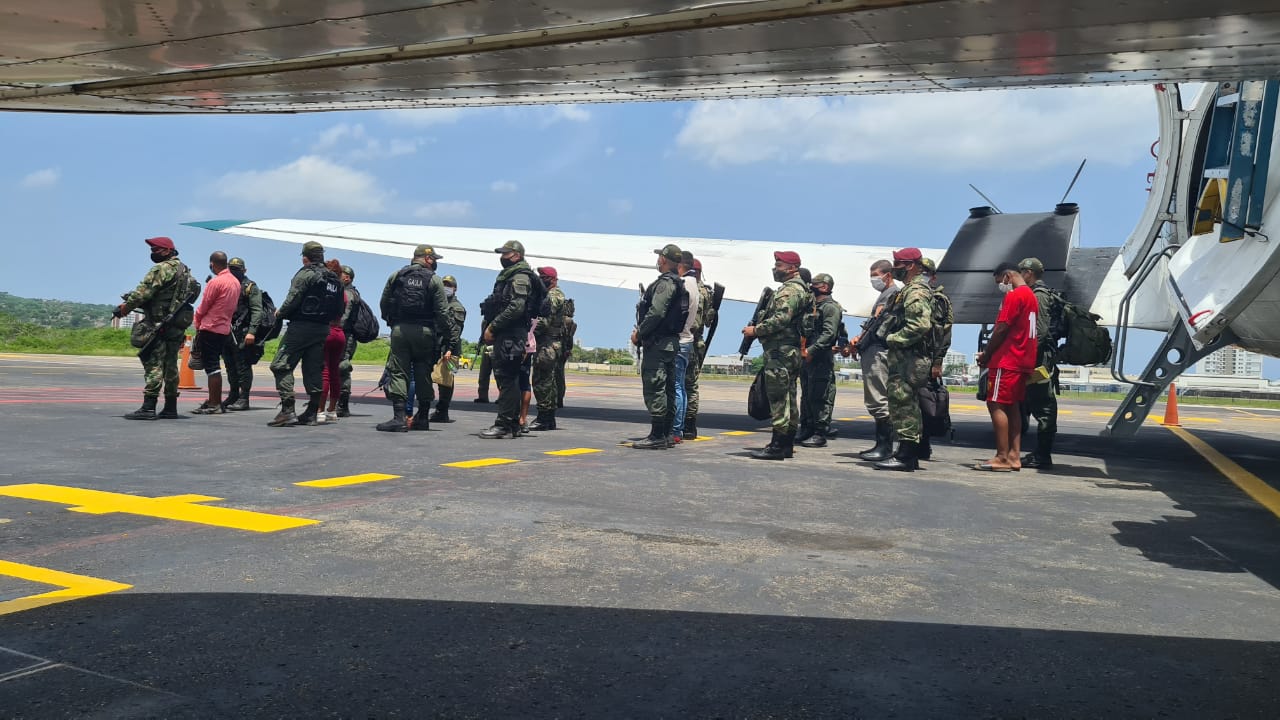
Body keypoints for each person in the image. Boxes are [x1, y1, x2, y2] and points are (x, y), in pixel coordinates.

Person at [115, 236, 198, 421]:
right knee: (170, 365)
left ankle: (149, 407)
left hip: (158, 324)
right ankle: (170, 407)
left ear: (168, 251)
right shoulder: (186, 272)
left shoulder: (161, 269)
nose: (153, 254)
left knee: (154, 364)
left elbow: (142, 293)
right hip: (176, 325)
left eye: (156, 250)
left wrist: (125, 308)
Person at [743, 250, 813, 460]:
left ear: (792, 268)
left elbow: (781, 319)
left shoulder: (789, 291)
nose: (775, 268)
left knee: (779, 399)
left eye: (779, 265)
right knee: (789, 397)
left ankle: (777, 445)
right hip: (789, 351)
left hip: (780, 351)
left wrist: (755, 330)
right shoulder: (801, 290)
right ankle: (786, 444)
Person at [267, 240, 344, 427]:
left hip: (301, 327)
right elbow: (339, 309)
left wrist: (279, 313)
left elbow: (293, 298)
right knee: (313, 369)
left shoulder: (306, 274)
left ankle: (287, 409)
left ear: (305, 258)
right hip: (322, 329)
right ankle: (311, 412)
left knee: (280, 365)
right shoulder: (334, 279)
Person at [377, 245, 452, 433]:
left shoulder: (397, 275)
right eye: (433, 259)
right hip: (425, 332)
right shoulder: (434, 280)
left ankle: (399, 417)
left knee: (399, 372)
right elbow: (442, 312)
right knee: (423, 372)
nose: (435, 262)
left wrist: (392, 323)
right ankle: (424, 417)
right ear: (427, 259)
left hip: (400, 330)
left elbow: (384, 303)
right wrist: (447, 336)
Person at [871, 247, 933, 472]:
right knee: (903, 404)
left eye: (898, 264)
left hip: (909, 358)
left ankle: (906, 456)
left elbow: (920, 325)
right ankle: (907, 453)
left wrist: (893, 338)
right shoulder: (909, 290)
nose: (894, 267)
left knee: (903, 404)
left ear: (909, 266)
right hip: (906, 357)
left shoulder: (915, 291)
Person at [974, 262, 1039, 471]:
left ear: (1007, 277)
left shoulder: (1014, 296)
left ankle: (1002, 456)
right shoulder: (1032, 296)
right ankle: (1013, 456)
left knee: (995, 404)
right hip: (1023, 360)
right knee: (1013, 406)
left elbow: (1001, 328)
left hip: (1007, 359)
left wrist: (987, 354)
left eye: (999, 282)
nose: (1001, 287)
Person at [480, 240, 541, 439]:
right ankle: (512, 423)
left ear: (516, 255)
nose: (502, 257)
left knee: (507, 379)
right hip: (509, 334)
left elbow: (516, 307)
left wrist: (493, 326)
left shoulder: (520, 276)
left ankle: (503, 424)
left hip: (511, 334)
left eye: (505, 254)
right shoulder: (511, 275)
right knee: (510, 378)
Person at [630, 243, 686, 449]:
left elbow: (656, 312)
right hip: (669, 344)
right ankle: (666, 433)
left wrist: (640, 333)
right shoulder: (677, 282)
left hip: (659, 343)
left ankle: (657, 435)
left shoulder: (665, 284)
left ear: (663, 259)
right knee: (668, 388)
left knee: (656, 387)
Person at [1017, 257, 1064, 470]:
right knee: (1034, 404)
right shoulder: (1036, 294)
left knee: (1044, 407)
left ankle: (1043, 456)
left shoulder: (1039, 296)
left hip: (1039, 360)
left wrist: (1030, 361)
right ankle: (1039, 453)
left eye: (1021, 271)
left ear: (1029, 273)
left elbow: (1040, 331)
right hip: (1038, 357)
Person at [852, 259, 900, 461]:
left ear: (887, 275)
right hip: (873, 350)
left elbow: (879, 325)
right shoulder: (886, 294)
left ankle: (884, 446)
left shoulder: (891, 295)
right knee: (877, 399)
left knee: (879, 400)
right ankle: (882, 445)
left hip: (878, 352)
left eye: (876, 275)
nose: (874, 280)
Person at [191, 251, 242, 414]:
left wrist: (197, 322)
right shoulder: (235, 282)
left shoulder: (216, 282)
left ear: (212, 264)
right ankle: (214, 401)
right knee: (216, 365)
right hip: (224, 329)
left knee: (212, 367)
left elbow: (204, 306)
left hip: (210, 328)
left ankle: (214, 403)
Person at [798, 273, 844, 448]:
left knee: (820, 394)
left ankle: (820, 432)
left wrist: (811, 350)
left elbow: (829, 333)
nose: (811, 287)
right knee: (806, 394)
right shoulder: (812, 306)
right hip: (806, 356)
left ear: (824, 287)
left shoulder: (830, 307)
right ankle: (807, 428)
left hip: (820, 357)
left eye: (814, 284)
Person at [918, 257, 954, 461]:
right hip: (912, 358)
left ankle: (923, 446)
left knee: (925, 404)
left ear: (932, 276)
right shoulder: (918, 295)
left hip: (927, 358)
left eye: (925, 272)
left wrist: (938, 361)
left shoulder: (938, 300)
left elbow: (943, 333)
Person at [222, 257, 264, 412]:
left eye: (237, 269)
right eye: (231, 269)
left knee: (243, 366)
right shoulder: (227, 285)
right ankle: (233, 394)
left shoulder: (250, 287)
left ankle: (244, 397)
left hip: (243, 332)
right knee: (229, 365)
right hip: (227, 331)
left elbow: (256, 310)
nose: (233, 272)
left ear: (244, 270)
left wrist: (252, 332)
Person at [529, 266, 568, 431]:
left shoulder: (553, 296)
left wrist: (527, 330)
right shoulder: (553, 295)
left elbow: (544, 322)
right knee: (548, 381)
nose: (540, 279)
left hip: (547, 344)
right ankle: (548, 418)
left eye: (543, 276)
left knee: (542, 381)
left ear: (552, 279)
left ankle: (544, 417)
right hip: (549, 343)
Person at [682, 258, 716, 440]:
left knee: (687, 385)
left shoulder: (694, 290)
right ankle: (688, 423)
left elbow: (693, 323)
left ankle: (687, 423)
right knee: (690, 385)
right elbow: (709, 320)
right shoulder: (707, 292)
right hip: (697, 341)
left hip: (690, 342)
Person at [670, 251, 702, 444]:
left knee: (677, 386)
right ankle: (684, 426)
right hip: (691, 340)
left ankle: (676, 428)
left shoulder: (683, 285)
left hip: (680, 340)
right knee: (684, 386)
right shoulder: (698, 287)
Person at [429, 275, 466, 424]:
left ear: (454, 289)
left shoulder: (456, 308)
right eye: (444, 284)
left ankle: (442, 411)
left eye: (448, 285)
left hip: (450, 349)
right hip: (437, 345)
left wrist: (449, 348)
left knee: (446, 380)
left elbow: (455, 331)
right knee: (436, 377)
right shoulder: (438, 304)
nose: (446, 287)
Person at [319, 259, 352, 423]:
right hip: (340, 334)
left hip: (326, 331)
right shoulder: (342, 292)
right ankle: (332, 411)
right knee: (334, 374)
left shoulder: (324, 288)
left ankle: (319, 411)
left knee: (324, 373)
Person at [336, 264, 362, 417]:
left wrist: (334, 329)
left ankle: (343, 405)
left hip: (345, 335)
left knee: (343, 368)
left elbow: (344, 316)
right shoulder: (345, 291)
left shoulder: (349, 293)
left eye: (340, 274)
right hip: (343, 334)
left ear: (347, 277)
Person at [556, 297, 577, 409]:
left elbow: (567, 337)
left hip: (559, 349)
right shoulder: (571, 322)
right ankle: (559, 398)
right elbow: (570, 339)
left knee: (556, 375)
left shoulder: (565, 321)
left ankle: (557, 398)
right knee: (560, 375)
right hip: (564, 350)